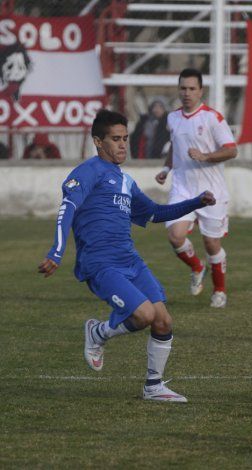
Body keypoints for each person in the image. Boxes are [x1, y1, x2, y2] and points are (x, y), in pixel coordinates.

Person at [37, 109, 217, 403]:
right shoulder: (88, 172)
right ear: (98, 141)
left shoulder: (125, 181)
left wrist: (196, 202)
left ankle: (154, 386)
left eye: (125, 138)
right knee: (144, 315)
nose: (123, 144)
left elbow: (156, 213)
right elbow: (67, 208)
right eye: (115, 139)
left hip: (130, 260)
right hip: (100, 264)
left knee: (163, 321)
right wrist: (56, 252)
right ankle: (98, 333)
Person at [155, 69, 238, 308]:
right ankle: (196, 266)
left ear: (201, 91)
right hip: (182, 188)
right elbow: (175, 146)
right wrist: (166, 168)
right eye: (183, 88)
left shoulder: (213, 118)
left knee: (212, 244)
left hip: (211, 192)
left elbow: (231, 150)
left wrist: (205, 156)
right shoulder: (173, 118)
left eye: (192, 88)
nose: (187, 93)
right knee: (175, 235)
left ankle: (219, 290)